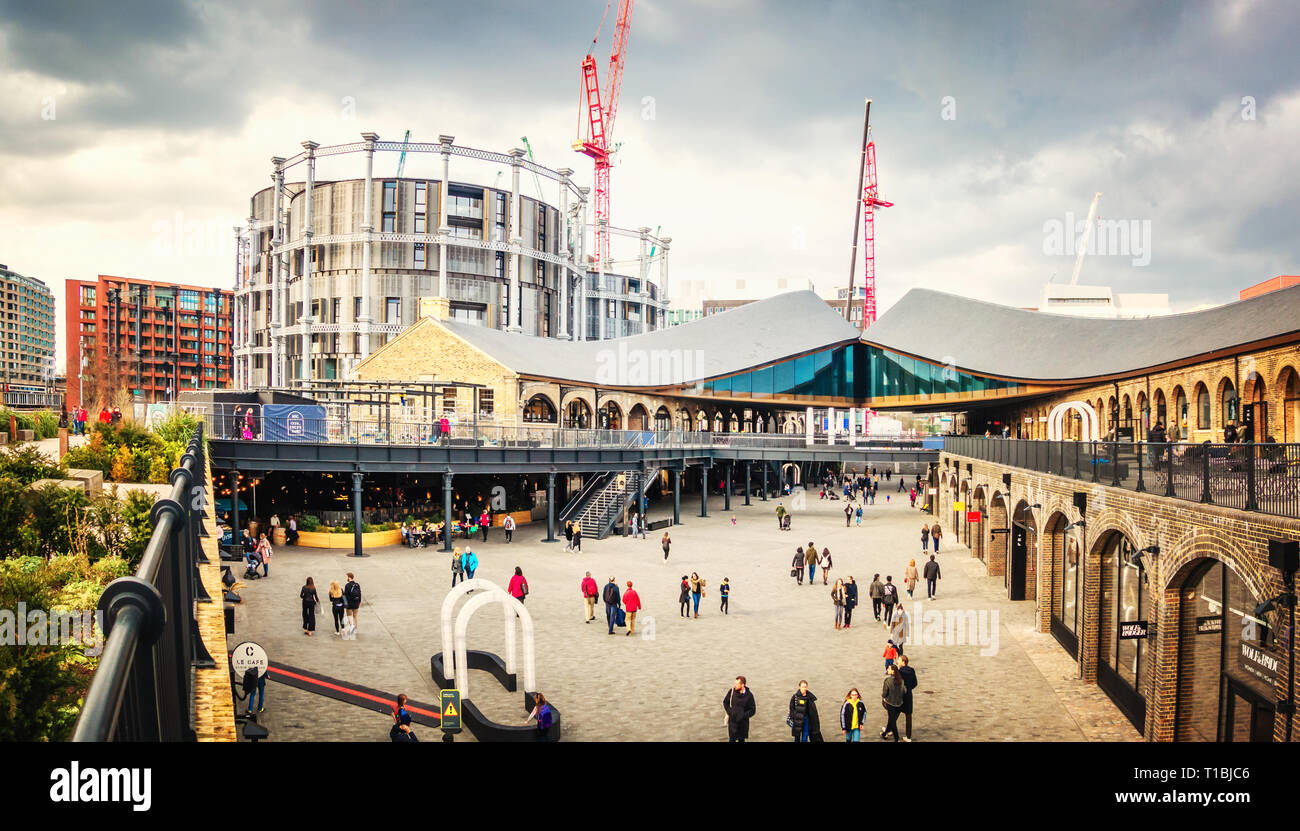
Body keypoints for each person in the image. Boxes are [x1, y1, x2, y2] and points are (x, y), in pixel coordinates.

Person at [723, 676, 756, 743]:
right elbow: (725, 702)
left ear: (742, 685)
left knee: (741, 740)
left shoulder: (749, 695)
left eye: (737, 684)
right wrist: (730, 712)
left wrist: (743, 715)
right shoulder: (731, 692)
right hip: (733, 723)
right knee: (731, 740)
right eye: (735, 683)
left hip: (743, 724)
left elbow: (753, 710)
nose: (735, 686)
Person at [897, 654, 918, 742]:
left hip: (900, 696)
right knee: (908, 716)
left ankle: (889, 729)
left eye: (899, 660)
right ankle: (908, 736)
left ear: (903, 662)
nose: (897, 661)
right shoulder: (912, 670)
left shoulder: (900, 672)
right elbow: (915, 683)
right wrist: (909, 689)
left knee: (894, 713)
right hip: (909, 695)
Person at [880, 666, 904, 742]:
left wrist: (883, 698)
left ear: (893, 671)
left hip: (890, 703)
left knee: (892, 721)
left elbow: (884, 693)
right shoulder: (901, 680)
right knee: (891, 719)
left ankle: (896, 738)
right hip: (899, 703)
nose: (887, 670)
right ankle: (885, 733)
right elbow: (904, 691)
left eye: (889, 669)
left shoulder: (888, 680)